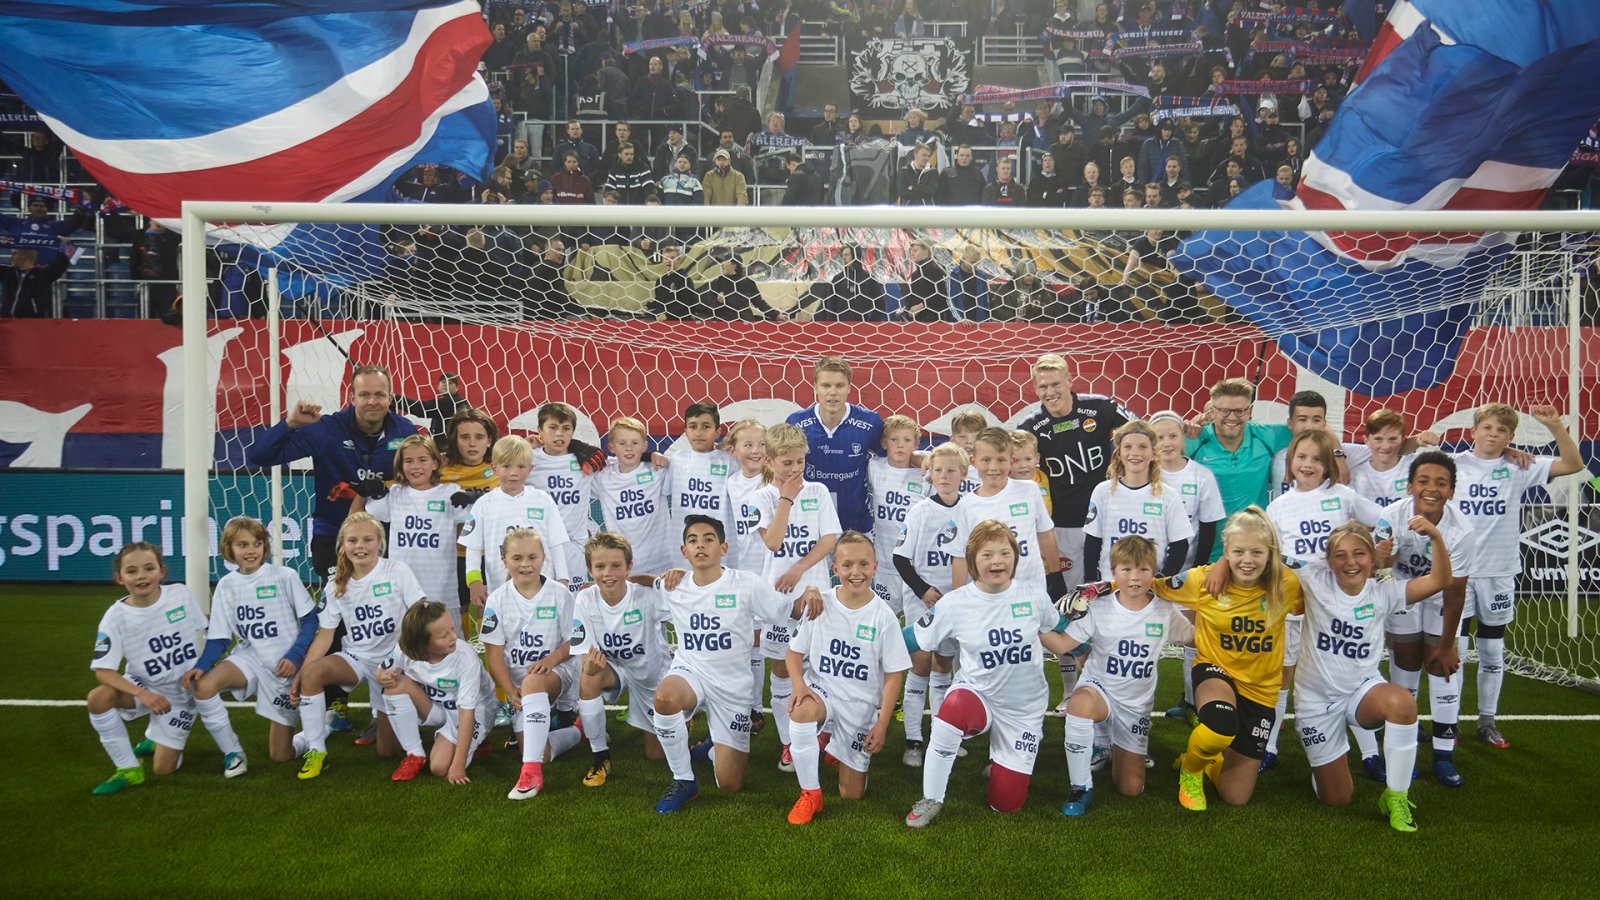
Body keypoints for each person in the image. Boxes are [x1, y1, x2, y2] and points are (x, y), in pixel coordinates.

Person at [245, 364, 418, 735]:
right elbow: (258, 456)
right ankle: (335, 702)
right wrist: (290, 424)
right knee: (337, 616)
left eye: (380, 394)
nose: (372, 401)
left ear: (390, 397)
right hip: (334, 538)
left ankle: (387, 704)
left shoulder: (404, 431)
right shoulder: (326, 430)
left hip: (383, 539)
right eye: (364, 394)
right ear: (351, 397)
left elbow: (423, 472)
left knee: (389, 619)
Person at [902, 521, 1081, 826]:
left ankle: (1001, 764)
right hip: (978, 693)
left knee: (1005, 805)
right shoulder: (956, 603)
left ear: (1015, 557)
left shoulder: (1033, 595)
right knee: (953, 709)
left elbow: (1058, 628)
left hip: (1023, 709)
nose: (997, 561)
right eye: (987, 555)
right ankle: (931, 797)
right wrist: (870, 639)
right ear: (973, 561)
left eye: (1004, 553)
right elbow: (913, 638)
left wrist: (1086, 641)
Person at [651, 515, 823, 812]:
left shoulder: (746, 584)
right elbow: (639, 586)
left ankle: (714, 746)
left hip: (732, 687)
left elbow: (788, 611)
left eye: (708, 539)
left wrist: (810, 593)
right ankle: (683, 779)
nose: (700, 545)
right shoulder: (672, 585)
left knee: (730, 783)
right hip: (690, 671)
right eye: (693, 541)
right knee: (665, 698)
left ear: (723, 548)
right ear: (684, 551)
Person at [1296, 520, 1457, 832]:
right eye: (1340, 555)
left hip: (1362, 693)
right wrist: (1221, 564)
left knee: (1402, 703)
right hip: (1316, 701)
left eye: (1359, 553)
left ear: (1372, 559)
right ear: (1328, 561)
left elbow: (1441, 580)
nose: (1350, 562)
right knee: (1337, 798)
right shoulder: (1313, 577)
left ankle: (1396, 796)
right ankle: (1325, 767)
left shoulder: (1384, 593)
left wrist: (1436, 536)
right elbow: (1269, 555)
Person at [1450, 403, 1583, 748]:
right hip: (1458, 574)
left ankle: (1487, 721)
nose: (1493, 435)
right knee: (1455, 653)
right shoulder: (1452, 464)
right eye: (1487, 428)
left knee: (1492, 652)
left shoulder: (1519, 466)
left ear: (1510, 436)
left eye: (1501, 431)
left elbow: (1573, 464)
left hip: (1499, 572)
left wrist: (1555, 427)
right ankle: (1449, 723)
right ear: (1473, 431)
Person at [1156, 507, 1304, 811]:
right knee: (1219, 725)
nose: (1247, 560)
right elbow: (1153, 586)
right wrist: (1102, 588)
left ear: (1270, 553)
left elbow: (1324, 584)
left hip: (1260, 691)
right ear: (1226, 551)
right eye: (1238, 552)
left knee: (1235, 796)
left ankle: (1207, 760)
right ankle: (1191, 772)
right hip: (1215, 671)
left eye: (1256, 552)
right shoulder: (1203, 579)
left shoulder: (1287, 584)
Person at [1260, 430, 1386, 771]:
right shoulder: (1278, 506)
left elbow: (1386, 520)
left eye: (1317, 458)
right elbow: (1272, 557)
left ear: (1328, 464)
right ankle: (1268, 746)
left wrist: (1378, 553)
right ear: (1290, 462)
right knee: (1283, 673)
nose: (1308, 464)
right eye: (1301, 457)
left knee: (1350, 671)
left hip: (1336, 607)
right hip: (1294, 606)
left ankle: (1371, 753)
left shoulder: (1342, 496)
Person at [1058, 536, 1194, 815]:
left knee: (1130, 788)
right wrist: (1041, 624)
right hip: (1100, 689)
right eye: (1126, 569)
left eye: (1143, 569)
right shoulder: (1099, 605)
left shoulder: (1164, 610)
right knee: (1079, 704)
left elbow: (1195, 639)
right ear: (1113, 572)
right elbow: (1062, 643)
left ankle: (1110, 742)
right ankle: (1080, 787)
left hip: (1135, 706)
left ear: (1154, 572)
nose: (1135, 577)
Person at [783, 532, 912, 824]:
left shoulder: (883, 617)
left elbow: (894, 675)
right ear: (835, 569)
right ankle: (810, 794)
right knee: (801, 710)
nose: (856, 572)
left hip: (859, 707)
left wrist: (882, 724)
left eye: (864, 564)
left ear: (875, 567)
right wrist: (799, 686)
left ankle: (836, 748)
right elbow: (793, 653)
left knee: (850, 794)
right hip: (823, 693)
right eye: (848, 565)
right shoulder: (821, 604)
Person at [290, 513, 427, 779]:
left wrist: (402, 658)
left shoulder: (397, 570)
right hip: (356, 658)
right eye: (352, 540)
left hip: (393, 662)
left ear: (380, 542)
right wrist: (301, 675)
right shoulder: (336, 583)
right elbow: (325, 636)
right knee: (313, 673)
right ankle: (316, 750)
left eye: (367, 540)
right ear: (343, 544)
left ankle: (400, 720)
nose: (360, 546)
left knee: (387, 751)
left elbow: (419, 615)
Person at [184, 518, 319, 775]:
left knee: (281, 755)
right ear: (229, 548)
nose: (251, 551)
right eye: (242, 545)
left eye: (257, 544)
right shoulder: (226, 585)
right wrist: (202, 665)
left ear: (265, 546)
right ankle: (233, 754)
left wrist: (295, 655)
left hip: (284, 665)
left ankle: (319, 729)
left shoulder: (285, 576)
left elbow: (311, 619)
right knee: (204, 686)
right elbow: (219, 637)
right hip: (250, 658)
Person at [1373, 452, 1476, 786]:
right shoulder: (1390, 516)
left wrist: (1447, 645)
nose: (1431, 489)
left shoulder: (1461, 530)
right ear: (1410, 486)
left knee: (1442, 669)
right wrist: (1381, 560)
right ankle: (1404, 743)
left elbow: (1455, 592)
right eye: (1423, 481)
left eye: (1441, 483)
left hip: (1440, 596)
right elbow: (1381, 571)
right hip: (1403, 590)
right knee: (1405, 664)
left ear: (1451, 491)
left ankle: (1444, 755)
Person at [751, 423, 842, 772]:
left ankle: (827, 733)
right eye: (787, 462)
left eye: (800, 461)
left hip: (817, 594)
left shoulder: (818, 491)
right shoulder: (760, 498)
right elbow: (773, 541)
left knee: (822, 666)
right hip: (776, 601)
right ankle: (788, 742)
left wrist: (799, 569)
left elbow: (829, 539)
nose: (795, 469)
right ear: (770, 461)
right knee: (781, 670)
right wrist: (786, 499)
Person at [86, 544, 209, 795]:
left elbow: (205, 624)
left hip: (181, 693)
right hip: (143, 686)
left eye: (149, 568)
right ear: (119, 578)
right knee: (98, 698)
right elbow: (103, 671)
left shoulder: (180, 595)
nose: (141, 576)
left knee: (163, 769)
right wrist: (144, 694)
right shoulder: (115, 617)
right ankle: (128, 769)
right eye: (132, 571)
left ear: (162, 571)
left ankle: (156, 738)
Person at [482, 529, 585, 799]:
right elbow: (494, 655)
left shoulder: (559, 594)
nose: (525, 564)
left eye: (532, 557)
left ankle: (530, 775)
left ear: (543, 558)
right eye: (517, 558)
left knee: (534, 681)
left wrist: (550, 660)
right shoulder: (497, 600)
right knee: (542, 753)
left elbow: (575, 641)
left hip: (556, 673)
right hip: (519, 687)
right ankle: (577, 731)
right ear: (504, 560)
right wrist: (510, 692)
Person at [572, 532, 672, 786]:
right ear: (590, 570)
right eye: (600, 567)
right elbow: (585, 653)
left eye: (616, 565)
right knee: (588, 676)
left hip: (651, 678)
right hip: (615, 670)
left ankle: (679, 713)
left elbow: (681, 602)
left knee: (656, 755)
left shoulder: (646, 596)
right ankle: (600, 757)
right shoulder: (585, 599)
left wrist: (663, 578)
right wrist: (589, 666)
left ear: (629, 567)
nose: (608, 573)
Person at [353, 435, 473, 635]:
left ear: (435, 463)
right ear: (401, 465)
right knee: (405, 640)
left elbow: (468, 515)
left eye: (422, 460)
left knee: (448, 639)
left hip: (441, 587)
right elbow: (377, 511)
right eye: (408, 461)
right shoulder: (395, 493)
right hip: (402, 588)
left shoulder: (449, 492)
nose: (415, 466)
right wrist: (378, 492)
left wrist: (470, 500)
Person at [893, 442, 966, 765]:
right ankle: (913, 740)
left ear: (963, 474)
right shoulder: (920, 511)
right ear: (930, 475)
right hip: (922, 599)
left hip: (954, 601)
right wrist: (922, 590)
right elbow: (900, 558)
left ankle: (940, 736)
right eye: (938, 470)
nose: (944, 476)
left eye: (951, 470)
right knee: (920, 664)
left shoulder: (970, 510)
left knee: (943, 666)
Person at [379, 601, 496, 783]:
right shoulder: (405, 649)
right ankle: (415, 754)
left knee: (440, 768)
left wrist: (458, 765)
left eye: (452, 628)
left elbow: (467, 713)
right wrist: (383, 677)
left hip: (472, 712)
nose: (453, 637)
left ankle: (478, 738)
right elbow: (381, 671)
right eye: (443, 635)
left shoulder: (465, 658)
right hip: (436, 706)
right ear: (421, 643)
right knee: (394, 685)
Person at [949, 428, 1063, 601]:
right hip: (990, 597)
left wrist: (1056, 575)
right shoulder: (965, 506)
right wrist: (959, 599)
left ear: (1011, 461)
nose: (993, 467)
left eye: (1001, 460)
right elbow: (960, 557)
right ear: (974, 462)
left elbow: (1045, 534)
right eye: (986, 460)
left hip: (1032, 591)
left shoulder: (1030, 490)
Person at [461, 435, 574, 608]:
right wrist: (474, 581)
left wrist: (563, 579)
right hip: (500, 590)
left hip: (543, 591)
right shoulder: (483, 505)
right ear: (494, 468)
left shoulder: (543, 500)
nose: (513, 473)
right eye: (506, 466)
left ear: (530, 468)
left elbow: (556, 544)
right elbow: (473, 547)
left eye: (520, 466)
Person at [1081, 421, 1194, 583]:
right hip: (1111, 585)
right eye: (1128, 447)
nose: (1135, 453)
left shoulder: (1168, 495)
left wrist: (1160, 581)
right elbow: (1093, 542)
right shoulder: (1102, 491)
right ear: (1118, 454)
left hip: (1151, 587)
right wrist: (1091, 583)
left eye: (1142, 447)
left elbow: (1180, 545)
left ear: (1153, 454)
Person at [785, 356, 885, 535]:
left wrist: (920, 459)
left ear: (849, 388)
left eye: (839, 385)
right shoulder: (796, 423)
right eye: (826, 385)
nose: (832, 392)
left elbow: (893, 456)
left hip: (856, 525)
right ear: (815, 387)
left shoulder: (869, 422)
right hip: (811, 523)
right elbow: (780, 465)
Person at [1184, 377, 1292, 536]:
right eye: (1224, 411)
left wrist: (1335, 450)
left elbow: (1312, 430)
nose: (1232, 417)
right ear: (1212, 412)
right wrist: (1179, 428)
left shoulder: (1266, 436)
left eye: (1239, 411)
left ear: (1249, 412)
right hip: (1205, 545)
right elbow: (1150, 442)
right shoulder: (1193, 440)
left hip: (1253, 543)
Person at [529, 402, 605, 586]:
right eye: (553, 427)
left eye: (566, 428)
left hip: (574, 547)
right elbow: (500, 459)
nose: (559, 434)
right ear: (540, 430)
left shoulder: (585, 461)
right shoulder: (528, 459)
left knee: (571, 600)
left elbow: (624, 466)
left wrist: (648, 456)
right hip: (539, 546)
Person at [593, 417, 674, 576]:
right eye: (622, 443)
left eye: (635, 443)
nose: (629, 448)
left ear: (645, 446)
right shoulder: (603, 476)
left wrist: (654, 456)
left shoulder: (656, 470)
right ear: (611, 447)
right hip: (626, 565)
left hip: (663, 562)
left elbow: (689, 467)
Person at [867, 415, 926, 617]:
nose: (900, 445)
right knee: (885, 618)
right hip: (884, 564)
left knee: (917, 623)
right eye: (894, 439)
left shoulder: (925, 475)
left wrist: (921, 459)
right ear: (884, 443)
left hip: (915, 565)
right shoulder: (874, 467)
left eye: (907, 440)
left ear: (916, 445)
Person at [669, 401, 736, 538]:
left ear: (718, 432)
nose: (699, 432)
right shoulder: (676, 460)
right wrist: (650, 455)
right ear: (686, 432)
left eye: (706, 426)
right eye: (693, 426)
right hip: (684, 542)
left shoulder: (730, 462)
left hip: (720, 541)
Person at [0, 243, 73, 318]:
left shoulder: (43, 274)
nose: (11, 257)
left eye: (14, 254)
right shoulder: (7, 272)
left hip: (33, 321)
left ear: (24, 256)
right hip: (7, 320)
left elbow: (64, 259)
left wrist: (66, 243)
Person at [815, 245, 885, 322]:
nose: (844, 258)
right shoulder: (838, 279)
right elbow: (831, 305)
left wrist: (872, 322)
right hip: (842, 325)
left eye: (847, 255)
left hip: (863, 326)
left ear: (855, 255)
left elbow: (880, 302)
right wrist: (832, 324)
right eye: (843, 255)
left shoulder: (868, 278)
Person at [396, 372, 466, 444]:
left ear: (457, 388)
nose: (446, 384)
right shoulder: (440, 409)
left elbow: (422, 408)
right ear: (438, 387)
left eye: (450, 383)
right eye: (443, 382)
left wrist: (396, 399)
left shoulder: (455, 402)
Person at [897, 239, 946, 321]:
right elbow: (915, 298)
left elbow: (941, 295)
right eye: (912, 251)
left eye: (915, 251)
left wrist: (920, 306)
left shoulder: (934, 271)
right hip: (918, 320)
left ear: (925, 252)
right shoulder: (915, 274)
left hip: (932, 321)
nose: (912, 253)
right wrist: (905, 309)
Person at [946, 245, 991, 322]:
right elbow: (949, 300)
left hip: (979, 322)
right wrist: (960, 319)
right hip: (960, 323)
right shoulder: (953, 274)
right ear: (963, 259)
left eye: (978, 262)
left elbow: (986, 301)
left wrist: (987, 321)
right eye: (972, 262)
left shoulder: (981, 276)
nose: (975, 265)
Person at [896, 142, 940, 207]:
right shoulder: (904, 170)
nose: (926, 158)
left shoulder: (933, 172)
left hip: (926, 209)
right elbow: (902, 192)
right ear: (915, 155)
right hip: (907, 208)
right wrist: (923, 192)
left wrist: (913, 188)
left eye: (928, 156)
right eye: (924, 155)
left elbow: (931, 192)